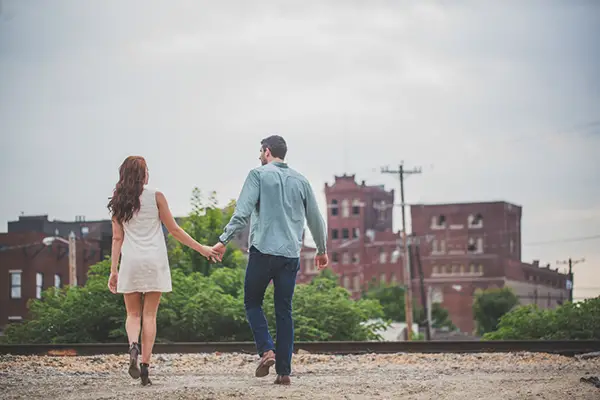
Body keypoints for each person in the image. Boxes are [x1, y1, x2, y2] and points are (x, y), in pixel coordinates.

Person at [212, 135, 328, 385]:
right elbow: (316, 218)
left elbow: (242, 212)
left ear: (266, 152)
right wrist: (322, 249)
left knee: (252, 302)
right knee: (284, 310)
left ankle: (266, 350)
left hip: (263, 251)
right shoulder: (301, 180)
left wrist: (223, 240)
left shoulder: (258, 175)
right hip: (289, 255)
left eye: (260, 152)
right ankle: (284, 372)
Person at [107, 155, 220, 386]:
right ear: (142, 174)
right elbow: (175, 230)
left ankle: (133, 347)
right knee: (149, 315)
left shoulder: (118, 202)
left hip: (131, 261)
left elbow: (117, 238)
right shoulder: (156, 196)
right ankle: (146, 368)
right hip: (154, 261)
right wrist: (202, 249)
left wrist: (113, 270)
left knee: (132, 315)